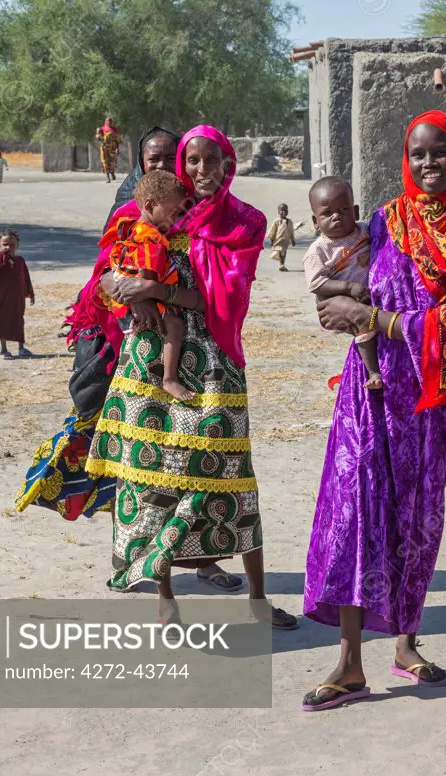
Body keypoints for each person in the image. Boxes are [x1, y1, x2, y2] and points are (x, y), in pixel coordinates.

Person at [301, 110, 446, 711]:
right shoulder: (385, 219)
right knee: (355, 508)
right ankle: (350, 661)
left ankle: (406, 642)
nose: (428, 164)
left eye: (441, 153)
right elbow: (342, 282)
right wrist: (345, 310)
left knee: (415, 517)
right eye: (417, 153)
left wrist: (378, 320)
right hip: (370, 388)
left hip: (432, 398)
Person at [84, 125, 297, 629]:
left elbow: (218, 299)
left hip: (217, 361)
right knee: (155, 472)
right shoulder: (146, 214)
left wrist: (153, 288)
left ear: (229, 163)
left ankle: (258, 598)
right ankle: (164, 597)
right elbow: (103, 280)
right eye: (193, 160)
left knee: (232, 475)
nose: (202, 170)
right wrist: (128, 286)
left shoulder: (245, 222)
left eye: (213, 159)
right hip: (148, 360)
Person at [103, 169, 192, 402]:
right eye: (174, 212)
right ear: (151, 205)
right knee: (175, 325)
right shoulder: (152, 239)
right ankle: (169, 379)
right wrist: (148, 296)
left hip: (122, 289)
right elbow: (147, 280)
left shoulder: (131, 226)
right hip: (134, 295)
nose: (177, 218)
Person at [302, 177, 381, 390]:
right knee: (363, 327)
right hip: (341, 301)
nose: (337, 216)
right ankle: (373, 372)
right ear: (315, 221)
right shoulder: (319, 250)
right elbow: (316, 283)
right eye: (327, 213)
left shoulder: (365, 231)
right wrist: (348, 289)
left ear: (355, 212)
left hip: (368, 296)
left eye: (344, 210)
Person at [105, 126, 181, 230]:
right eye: (154, 159)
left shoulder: (189, 195)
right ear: (142, 162)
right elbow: (112, 242)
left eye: (171, 158)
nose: (162, 165)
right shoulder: (127, 197)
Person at [0, 228, 34, 359]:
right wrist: (1, 255)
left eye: (12, 245)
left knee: (18, 321)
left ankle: (21, 347)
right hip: (0, 298)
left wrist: (30, 293)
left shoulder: (20, 260)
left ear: (17, 245)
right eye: (5, 244)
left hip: (17, 297)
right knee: (2, 321)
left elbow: (26, 277)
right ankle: (4, 349)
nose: (8, 247)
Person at [267, 203, 295, 271]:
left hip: (286, 241)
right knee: (280, 251)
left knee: (283, 252)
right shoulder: (277, 221)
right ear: (278, 212)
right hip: (278, 240)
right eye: (282, 210)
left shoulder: (290, 221)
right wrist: (271, 239)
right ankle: (281, 264)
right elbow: (272, 230)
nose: (284, 212)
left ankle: (282, 264)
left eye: (285, 210)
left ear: (287, 212)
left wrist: (293, 240)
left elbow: (291, 231)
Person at [96, 116, 121, 184]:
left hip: (112, 148)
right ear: (106, 121)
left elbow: (118, 140)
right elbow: (98, 137)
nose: (109, 122)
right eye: (108, 121)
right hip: (104, 149)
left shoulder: (115, 130)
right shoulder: (102, 129)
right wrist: (98, 135)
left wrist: (117, 149)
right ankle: (108, 178)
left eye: (110, 121)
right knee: (105, 162)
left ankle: (112, 173)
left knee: (112, 163)